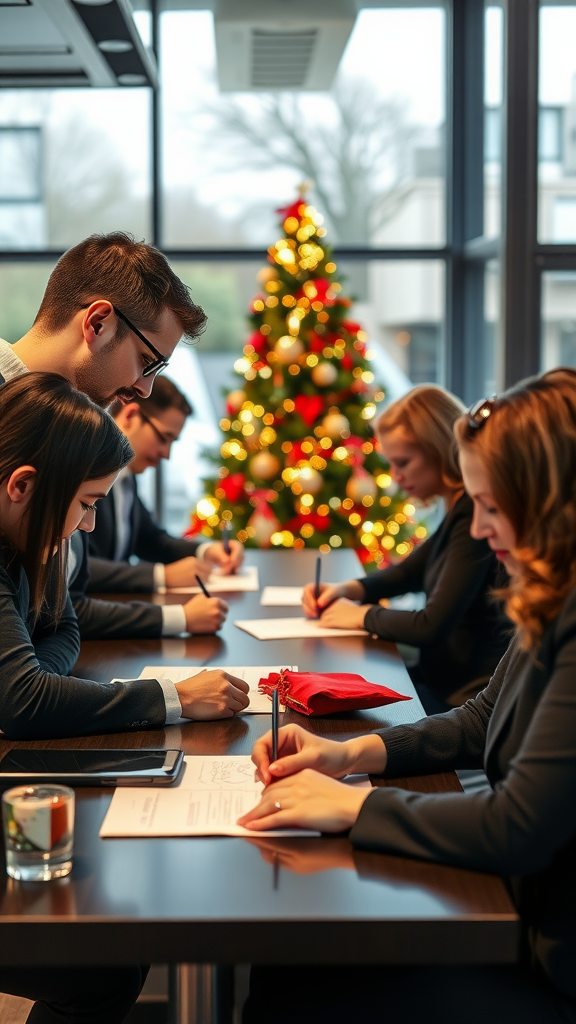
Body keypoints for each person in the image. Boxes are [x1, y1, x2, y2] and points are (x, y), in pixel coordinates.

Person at [240, 371, 576, 1024]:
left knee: (293, 986)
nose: (477, 529)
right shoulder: (553, 596)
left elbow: (518, 827)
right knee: (285, 963)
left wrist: (354, 806)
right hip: (523, 924)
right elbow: (481, 720)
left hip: (550, 969)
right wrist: (347, 754)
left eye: (492, 507)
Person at [0, 231, 230, 640]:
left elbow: (63, 618)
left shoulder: (74, 435)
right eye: (147, 362)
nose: (144, 391)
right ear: (98, 323)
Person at [0, 372, 250, 740]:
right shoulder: (40, 532)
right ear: (23, 486)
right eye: (86, 504)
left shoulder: (34, 534)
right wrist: (175, 696)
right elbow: (23, 702)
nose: (88, 525)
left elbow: (65, 628)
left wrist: (38, 676)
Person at [302, 384, 511, 711]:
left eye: (403, 463)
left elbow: (431, 625)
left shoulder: (473, 514)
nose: (396, 477)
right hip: (439, 682)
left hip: (462, 702)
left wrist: (361, 615)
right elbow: (409, 573)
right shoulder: (458, 507)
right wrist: (349, 588)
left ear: (441, 450)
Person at [87, 375, 243, 598]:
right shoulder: (87, 477)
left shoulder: (126, 478)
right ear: (130, 416)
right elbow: (76, 567)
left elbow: (151, 540)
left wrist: (208, 551)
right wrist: (162, 576)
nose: (166, 454)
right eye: (163, 438)